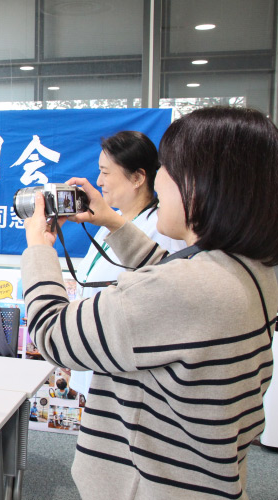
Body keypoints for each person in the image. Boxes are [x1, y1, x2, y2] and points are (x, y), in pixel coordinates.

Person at [21, 107, 278, 499]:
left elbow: (53, 333)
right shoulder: (250, 272)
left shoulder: (187, 288)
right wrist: (113, 221)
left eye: (168, 170)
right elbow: (170, 279)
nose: (159, 181)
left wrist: (39, 249)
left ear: (200, 186)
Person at [70, 131, 186, 397]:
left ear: (137, 178)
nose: (99, 182)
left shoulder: (162, 229)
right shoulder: (108, 222)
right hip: (94, 358)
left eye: (106, 173)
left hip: (128, 372)